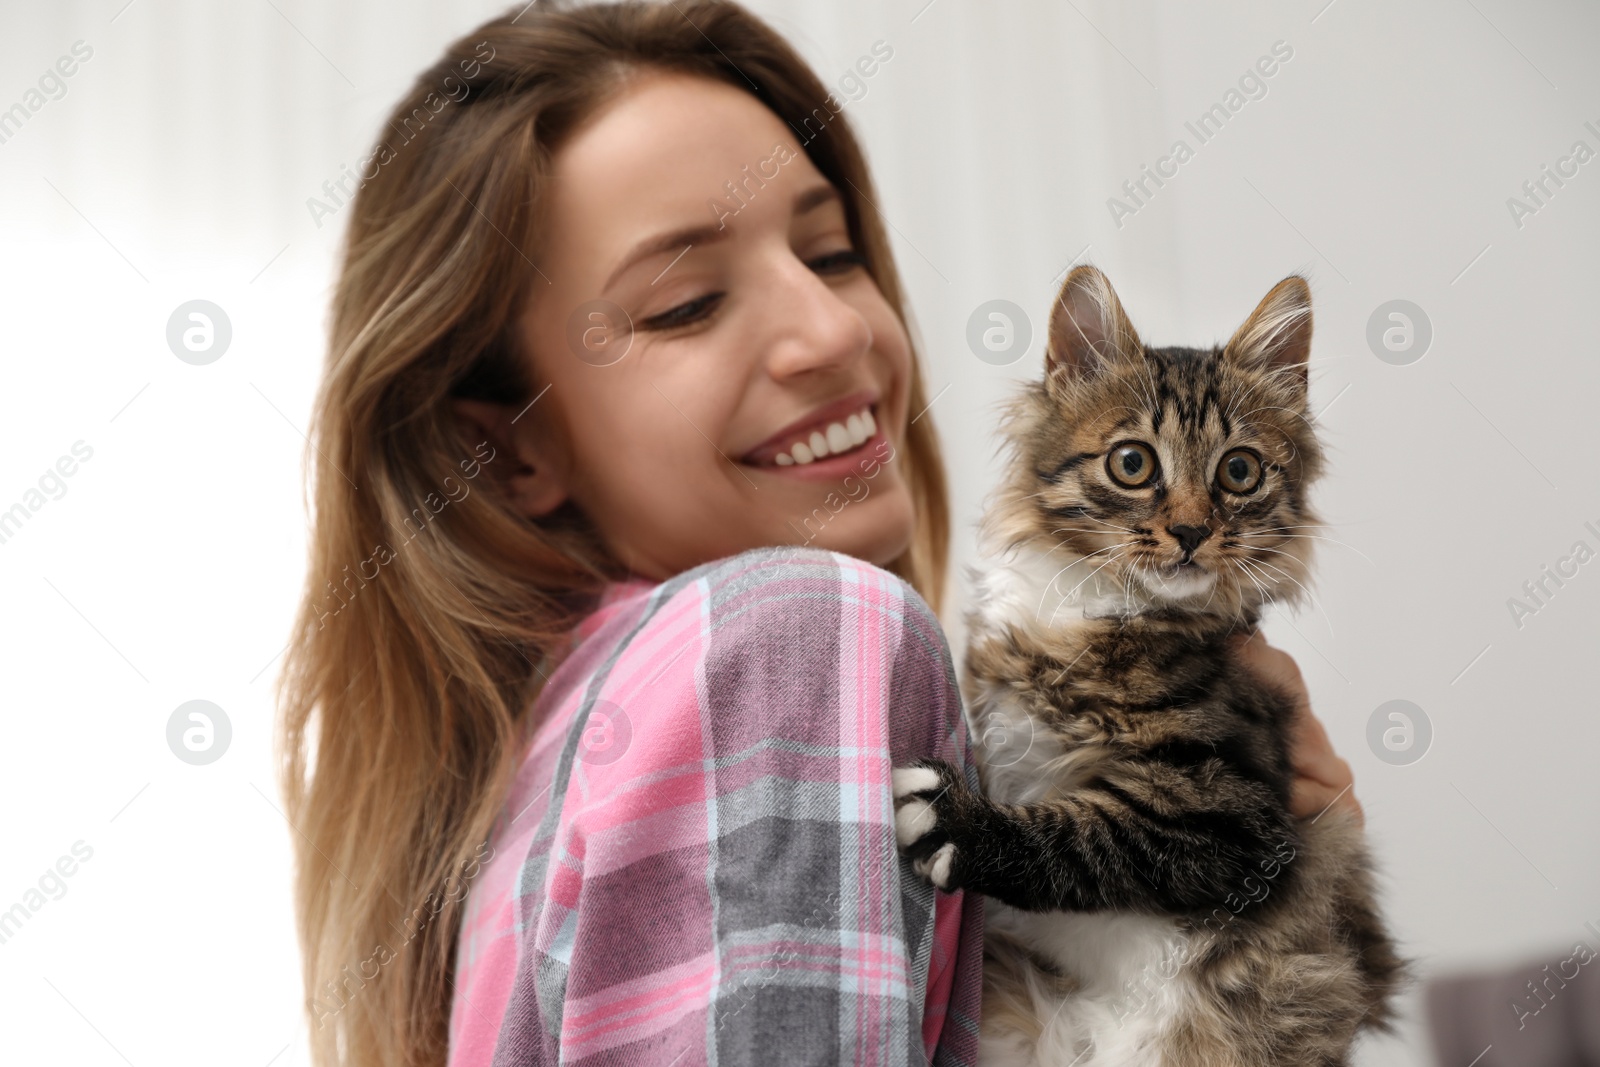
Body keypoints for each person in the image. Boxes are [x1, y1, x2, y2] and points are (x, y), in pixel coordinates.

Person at [274, 3, 1364, 1065]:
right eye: (687, 301)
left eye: (833, 253)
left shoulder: (536, 753)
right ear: (510, 451)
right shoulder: (790, 632)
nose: (834, 329)